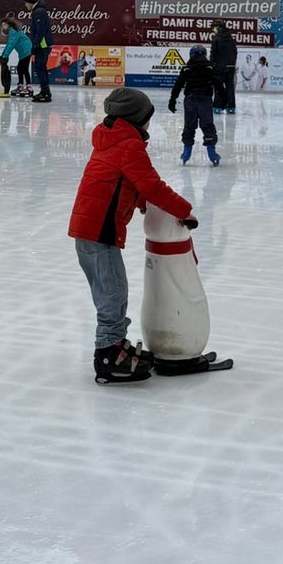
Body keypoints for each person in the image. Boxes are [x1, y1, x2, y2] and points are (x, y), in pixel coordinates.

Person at [67, 86, 196, 382]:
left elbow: (122, 180)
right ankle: (109, 354)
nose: (150, 122)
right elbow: (151, 184)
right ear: (137, 118)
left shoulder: (111, 138)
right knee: (113, 293)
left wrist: (138, 203)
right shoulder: (129, 144)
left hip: (87, 227)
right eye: (148, 117)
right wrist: (184, 211)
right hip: (100, 229)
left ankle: (116, 344)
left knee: (110, 290)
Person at [168, 45, 220, 166]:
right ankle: (212, 154)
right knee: (207, 125)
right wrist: (224, 100)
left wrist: (173, 99)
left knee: (189, 126)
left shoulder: (187, 68)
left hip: (190, 100)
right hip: (205, 100)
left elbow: (178, 84)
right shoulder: (209, 67)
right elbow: (217, 83)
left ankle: (186, 152)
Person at [27, 0, 53, 102]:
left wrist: (35, 45)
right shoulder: (39, 11)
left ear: (30, 3)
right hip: (43, 45)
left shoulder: (38, 12)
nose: (25, 6)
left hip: (42, 45)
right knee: (41, 68)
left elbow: (40, 31)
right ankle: (45, 91)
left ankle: (45, 93)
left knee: (40, 68)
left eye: (26, 3)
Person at [0, 16, 30, 98]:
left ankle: (28, 87)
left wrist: (5, 56)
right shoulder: (12, 31)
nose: (3, 27)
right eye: (2, 25)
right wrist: (3, 54)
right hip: (24, 51)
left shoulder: (14, 31)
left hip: (26, 51)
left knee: (23, 68)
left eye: (4, 25)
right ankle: (21, 85)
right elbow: (9, 44)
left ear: (8, 24)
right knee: (21, 68)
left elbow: (11, 44)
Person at [210, 21, 238, 113]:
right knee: (230, 87)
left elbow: (213, 53)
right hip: (230, 67)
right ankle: (231, 108)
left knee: (218, 87)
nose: (212, 30)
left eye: (213, 28)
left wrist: (211, 65)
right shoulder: (231, 38)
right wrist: (233, 63)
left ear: (218, 27)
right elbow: (235, 52)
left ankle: (218, 107)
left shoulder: (217, 38)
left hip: (220, 67)